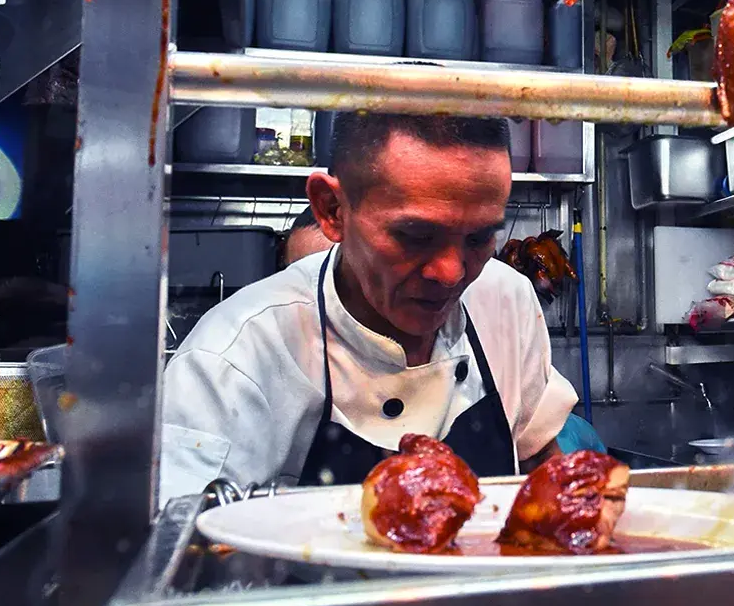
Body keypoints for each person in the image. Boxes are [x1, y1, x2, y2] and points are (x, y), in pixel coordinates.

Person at [158, 112, 578, 503]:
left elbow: (541, 461)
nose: (451, 274)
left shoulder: (505, 298)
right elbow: (185, 555)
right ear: (332, 210)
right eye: (415, 236)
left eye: (478, 238)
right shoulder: (233, 360)